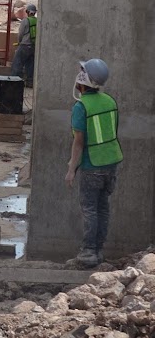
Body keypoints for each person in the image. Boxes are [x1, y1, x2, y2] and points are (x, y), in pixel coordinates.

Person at [65, 59, 123, 268]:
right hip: (111, 163)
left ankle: (88, 253)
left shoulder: (81, 106)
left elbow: (79, 142)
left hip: (93, 165)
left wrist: (72, 169)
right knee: (102, 208)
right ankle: (97, 251)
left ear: (82, 80)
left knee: (89, 209)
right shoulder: (109, 101)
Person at [11, 3, 37, 87]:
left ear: (27, 12)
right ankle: (29, 82)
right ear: (35, 12)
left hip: (24, 45)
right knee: (30, 65)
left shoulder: (25, 21)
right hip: (33, 46)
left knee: (17, 63)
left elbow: (20, 34)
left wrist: (19, 42)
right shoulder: (38, 21)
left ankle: (15, 82)